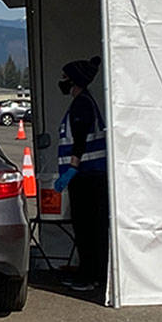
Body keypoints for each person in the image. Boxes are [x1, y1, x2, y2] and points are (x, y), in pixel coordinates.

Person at [53, 56, 108, 289]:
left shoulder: (81, 105)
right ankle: (91, 272)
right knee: (89, 228)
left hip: (87, 176)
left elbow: (80, 140)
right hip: (88, 176)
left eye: (65, 78)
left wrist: (72, 168)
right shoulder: (84, 102)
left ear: (74, 80)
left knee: (88, 229)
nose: (62, 82)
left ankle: (90, 276)